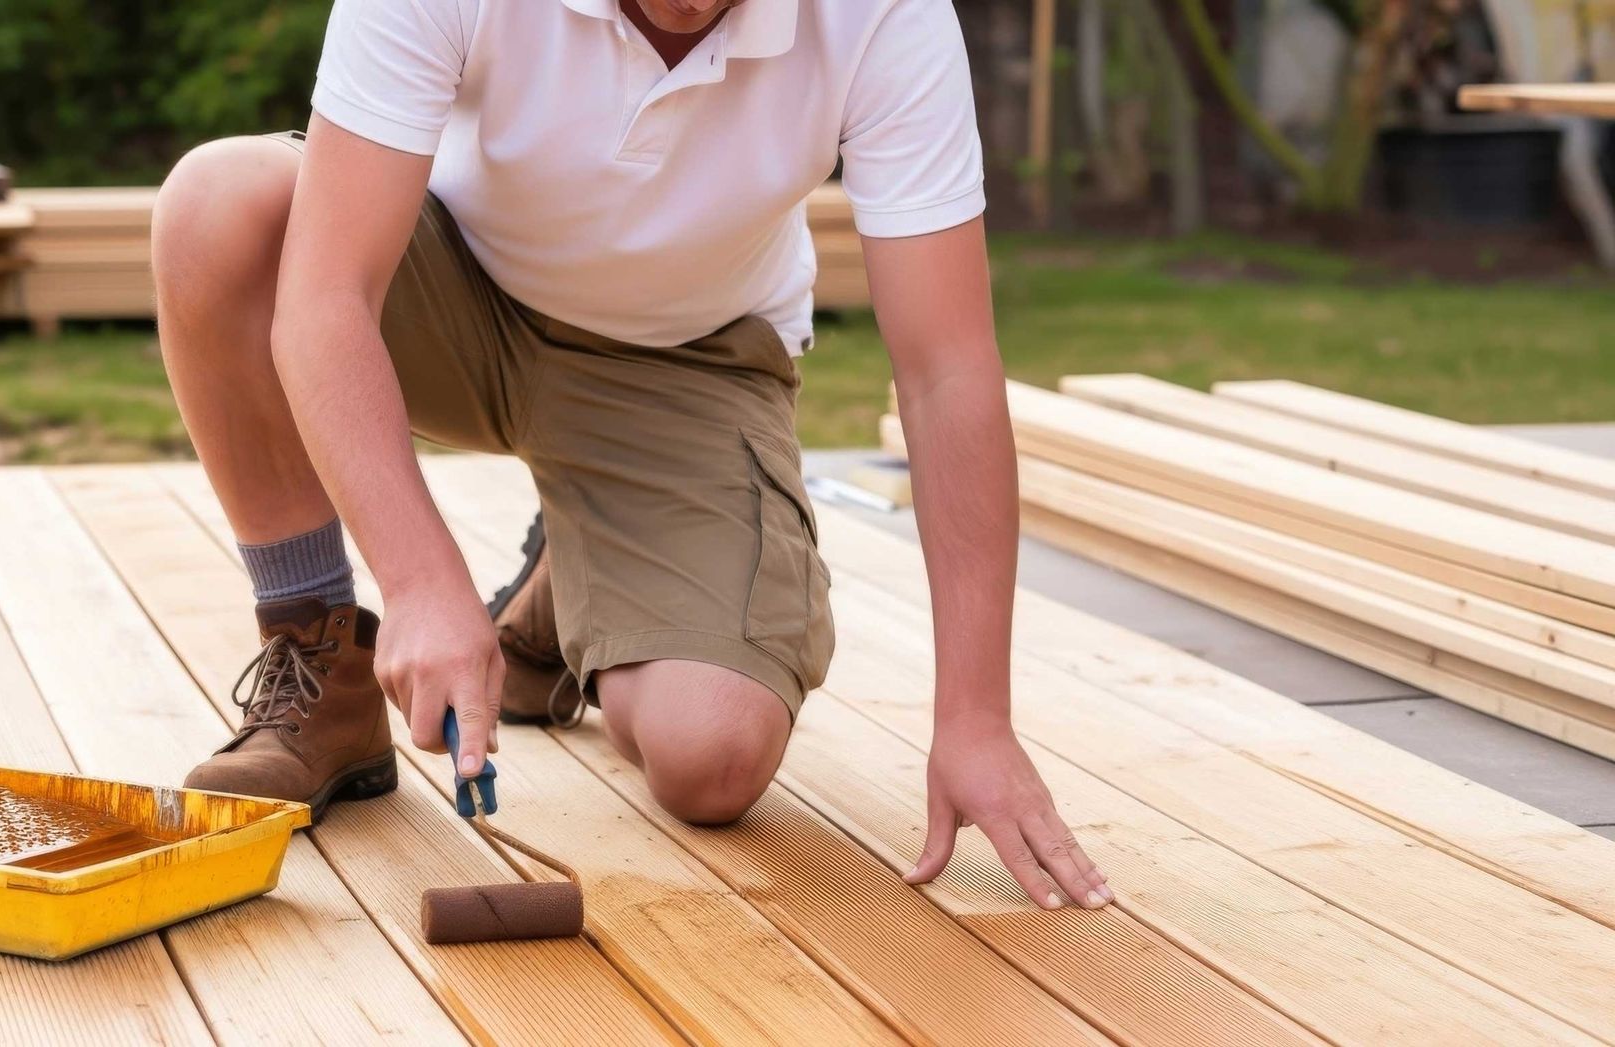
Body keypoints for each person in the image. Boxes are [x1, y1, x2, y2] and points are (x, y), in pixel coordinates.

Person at [153, 0, 1112, 909]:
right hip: (451, 287)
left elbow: (945, 371)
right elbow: (326, 297)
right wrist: (420, 582)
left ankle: (563, 594)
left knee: (716, 758)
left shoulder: (885, 17)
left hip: (685, 358)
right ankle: (317, 656)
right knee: (216, 208)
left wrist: (976, 717)